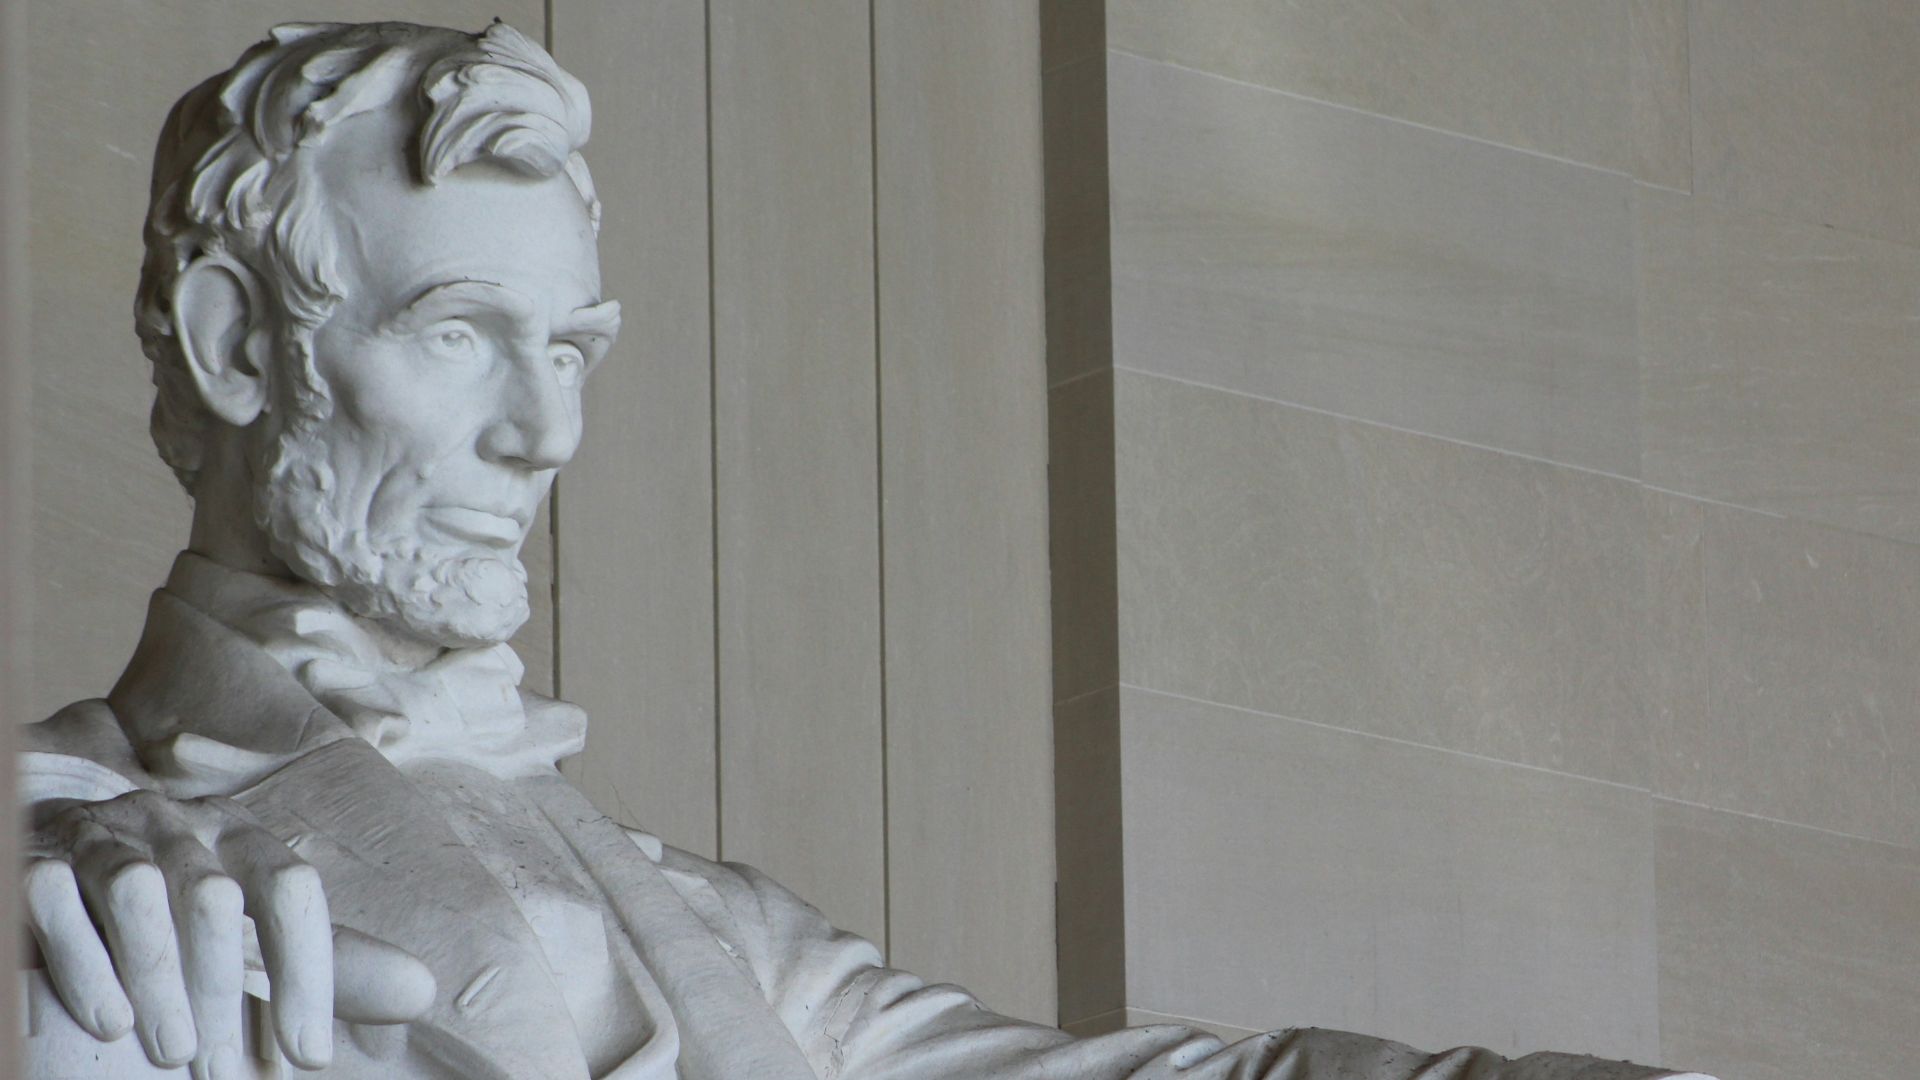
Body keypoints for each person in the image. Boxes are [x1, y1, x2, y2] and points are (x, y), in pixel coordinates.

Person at [18, 20, 1713, 1080]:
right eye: (464, 337)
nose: (549, 436)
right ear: (241, 343)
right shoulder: (74, 854)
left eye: (575, 352)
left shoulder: (712, 923)